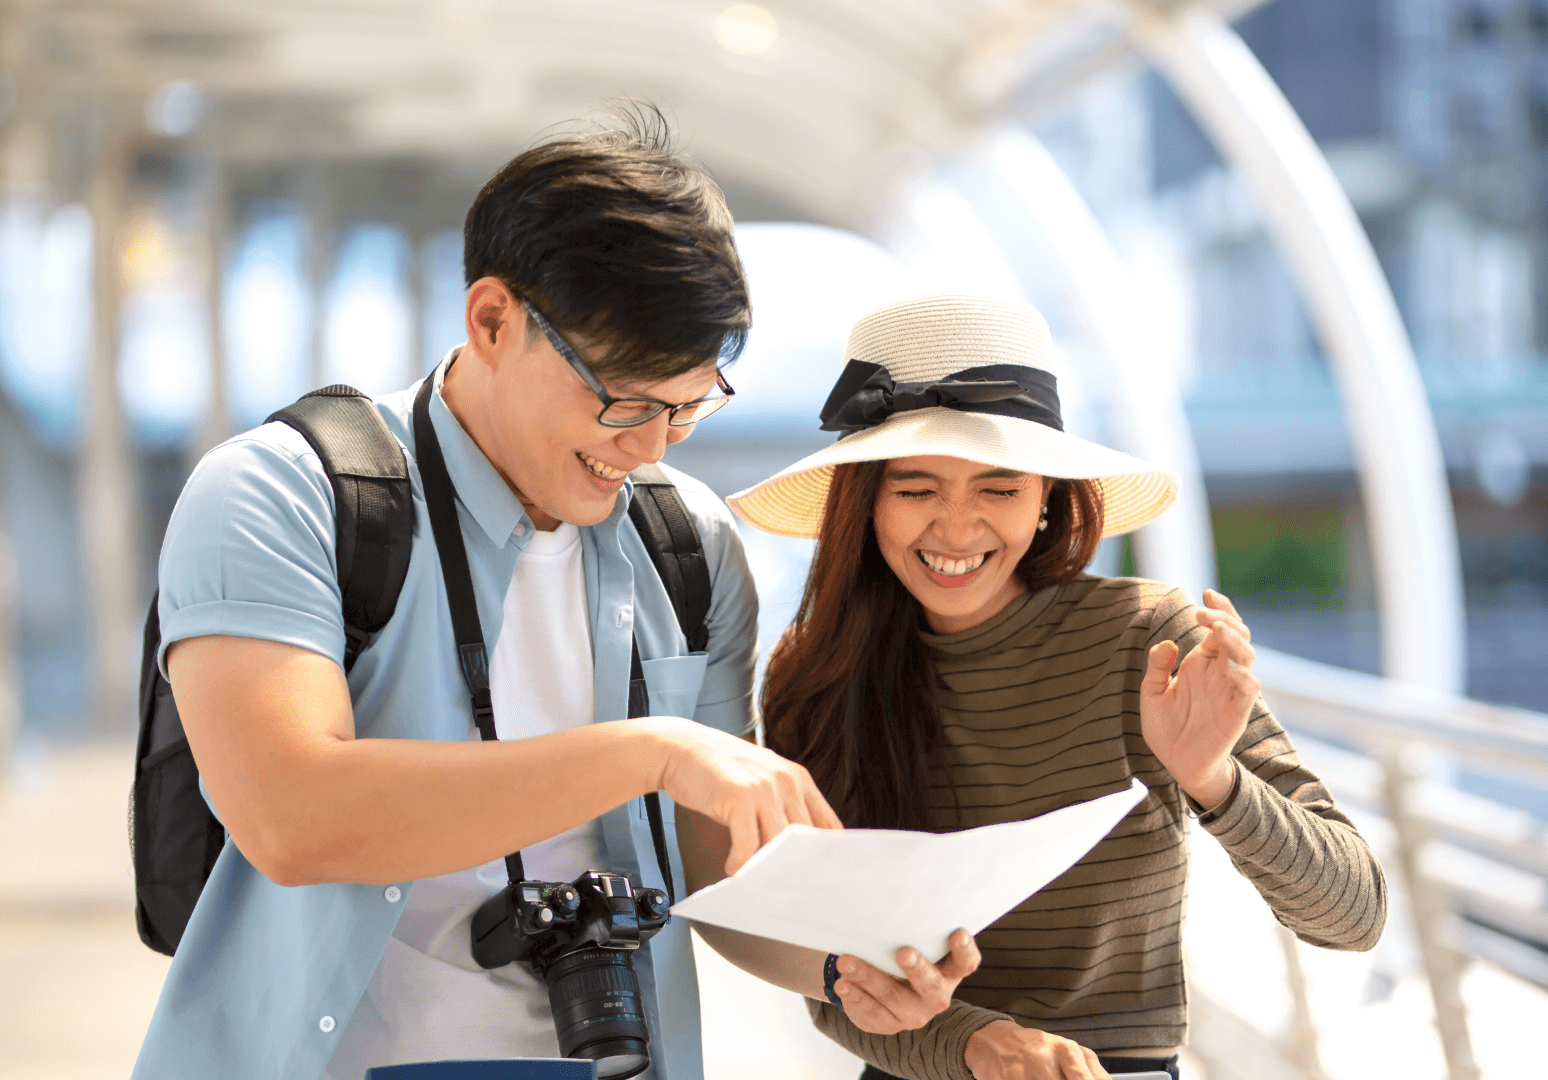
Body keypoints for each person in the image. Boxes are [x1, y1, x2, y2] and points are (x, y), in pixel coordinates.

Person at [131, 114, 971, 1080]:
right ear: (492, 320)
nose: (650, 446)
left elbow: (708, 868)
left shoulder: (687, 544)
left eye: (689, 405)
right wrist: (653, 752)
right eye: (623, 399)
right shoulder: (282, 493)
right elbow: (293, 817)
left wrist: (842, 962)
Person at [725, 294, 1390, 1080]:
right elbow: (829, 972)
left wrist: (1213, 780)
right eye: (915, 490)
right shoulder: (813, 673)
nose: (957, 529)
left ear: (1046, 500)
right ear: (864, 502)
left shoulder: (1150, 640)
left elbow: (1356, 918)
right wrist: (978, 1044)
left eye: (998, 490)